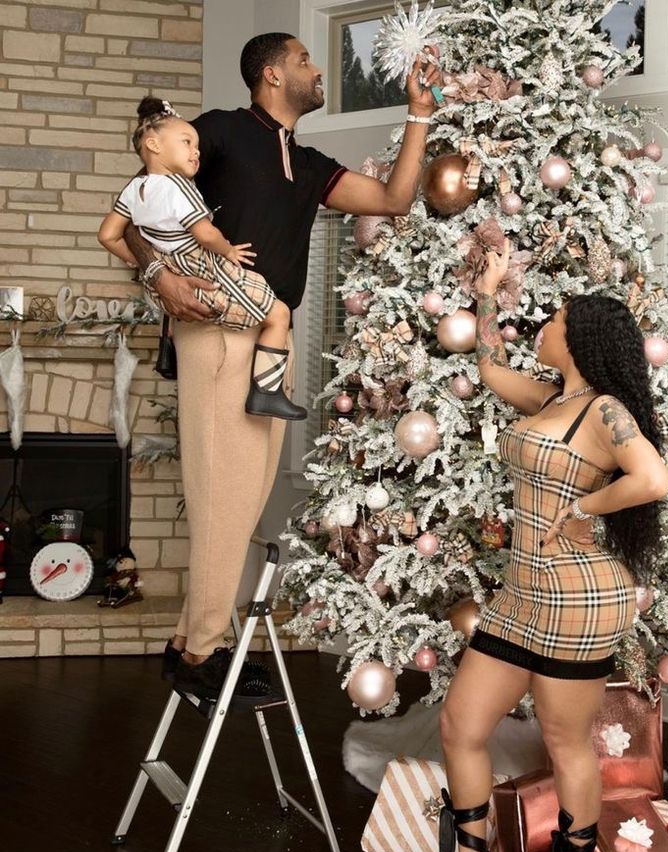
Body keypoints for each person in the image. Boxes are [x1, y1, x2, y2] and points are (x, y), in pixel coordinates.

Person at [122, 33, 439, 699]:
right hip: (216, 329)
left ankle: (192, 641)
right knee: (224, 499)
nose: (318, 69)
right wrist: (159, 276)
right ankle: (204, 650)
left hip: (271, 337)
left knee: (240, 505)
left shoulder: (306, 159)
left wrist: (418, 114)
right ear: (270, 73)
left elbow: (392, 200)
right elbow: (135, 211)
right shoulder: (219, 133)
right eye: (304, 61)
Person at [435, 241, 668, 852]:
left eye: (555, 319)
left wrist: (584, 507)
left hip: (578, 598)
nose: (542, 325)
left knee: (566, 741)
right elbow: (485, 366)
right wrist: (487, 292)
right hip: (520, 595)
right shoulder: (550, 397)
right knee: (461, 724)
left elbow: (652, 477)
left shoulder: (605, 413)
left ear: (579, 338)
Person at [98, 96, 306, 422]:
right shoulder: (177, 188)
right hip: (204, 267)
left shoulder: (134, 190)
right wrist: (228, 250)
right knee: (278, 313)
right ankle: (267, 391)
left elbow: (108, 235)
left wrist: (148, 263)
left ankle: (266, 391)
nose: (195, 151)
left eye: (196, 145)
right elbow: (205, 233)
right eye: (186, 142)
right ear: (153, 144)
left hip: (171, 277)